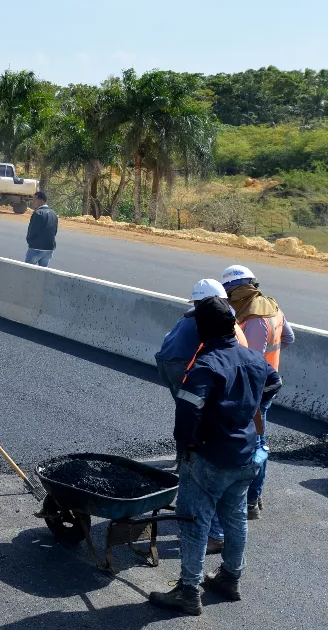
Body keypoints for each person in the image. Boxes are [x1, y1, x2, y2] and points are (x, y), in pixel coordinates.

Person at [148, 296, 281, 616]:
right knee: (234, 517)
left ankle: (188, 591)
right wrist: (245, 409)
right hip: (245, 455)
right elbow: (274, 384)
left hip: (210, 457)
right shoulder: (252, 358)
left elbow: (187, 413)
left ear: (203, 328)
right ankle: (230, 578)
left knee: (195, 520)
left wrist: (186, 449)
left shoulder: (204, 367)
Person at [221, 264, 294, 520]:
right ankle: (254, 497)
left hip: (256, 389)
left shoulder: (251, 316)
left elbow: (248, 359)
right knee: (258, 439)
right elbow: (288, 339)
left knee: (256, 443)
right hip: (270, 382)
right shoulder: (272, 307)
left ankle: (251, 500)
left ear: (233, 289)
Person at [156, 279, 249, 395]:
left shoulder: (191, 314)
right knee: (192, 404)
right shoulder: (214, 317)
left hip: (164, 361)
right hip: (179, 364)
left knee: (184, 403)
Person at [24, 191, 58, 267]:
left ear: (41, 200)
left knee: (27, 271)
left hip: (36, 248)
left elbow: (32, 230)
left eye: (35, 200)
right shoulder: (54, 214)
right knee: (43, 272)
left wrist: (30, 241)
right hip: (49, 248)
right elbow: (54, 231)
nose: (33, 202)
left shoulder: (38, 213)